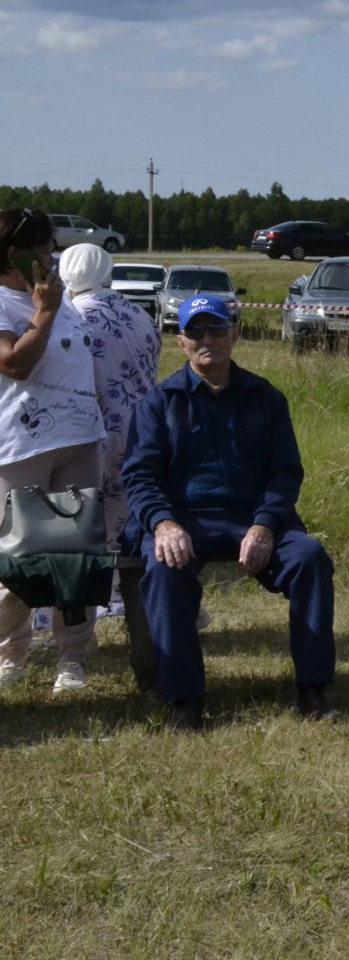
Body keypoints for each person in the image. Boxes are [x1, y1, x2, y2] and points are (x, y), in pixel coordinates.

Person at [121, 294, 336, 729]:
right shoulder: (158, 403)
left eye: (217, 329)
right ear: (180, 342)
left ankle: (314, 689)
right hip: (183, 518)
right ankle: (185, 700)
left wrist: (265, 525)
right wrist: (163, 524)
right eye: (196, 331)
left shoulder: (265, 398)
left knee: (310, 558)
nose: (208, 340)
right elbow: (140, 476)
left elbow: (286, 473)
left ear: (235, 335)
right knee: (163, 572)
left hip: (252, 516)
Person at [0, 209, 107, 693]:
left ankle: (72, 660)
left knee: (76, 558)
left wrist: (50, 304)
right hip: (22, 446)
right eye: (42, 248)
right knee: (15, 560)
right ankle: (11, 657)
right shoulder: (7, 300)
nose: (51, 256)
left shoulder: (55, 292)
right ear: (12, 252)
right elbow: (14, 364)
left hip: (80, 440)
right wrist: (42, 313)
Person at [60, 241, 161, 672]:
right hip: (142, 431)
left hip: (92, 434)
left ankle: (85, 624)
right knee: (133, 526)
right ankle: (156, 609)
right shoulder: (138, 313)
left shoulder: (74, 317)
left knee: (88, 532)